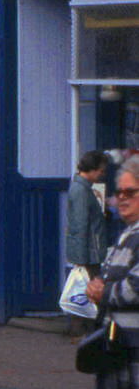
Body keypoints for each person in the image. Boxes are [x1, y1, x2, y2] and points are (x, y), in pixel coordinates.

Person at [87, 156, 139, 388]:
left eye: (130, 192)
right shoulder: (127, 234)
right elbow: (106, 274)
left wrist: (103, 292)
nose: (122, 199)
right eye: (119, 193)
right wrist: (96, 285)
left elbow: (134, 289)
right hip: (118, 353)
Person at [70, 151, 111, 280]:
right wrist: (81, 258)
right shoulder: (81, 190)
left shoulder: (84, 189)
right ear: (91, 169)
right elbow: (80, 224)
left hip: (91, 252)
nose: (102, 175)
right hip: (90, 254)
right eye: (101, 171)